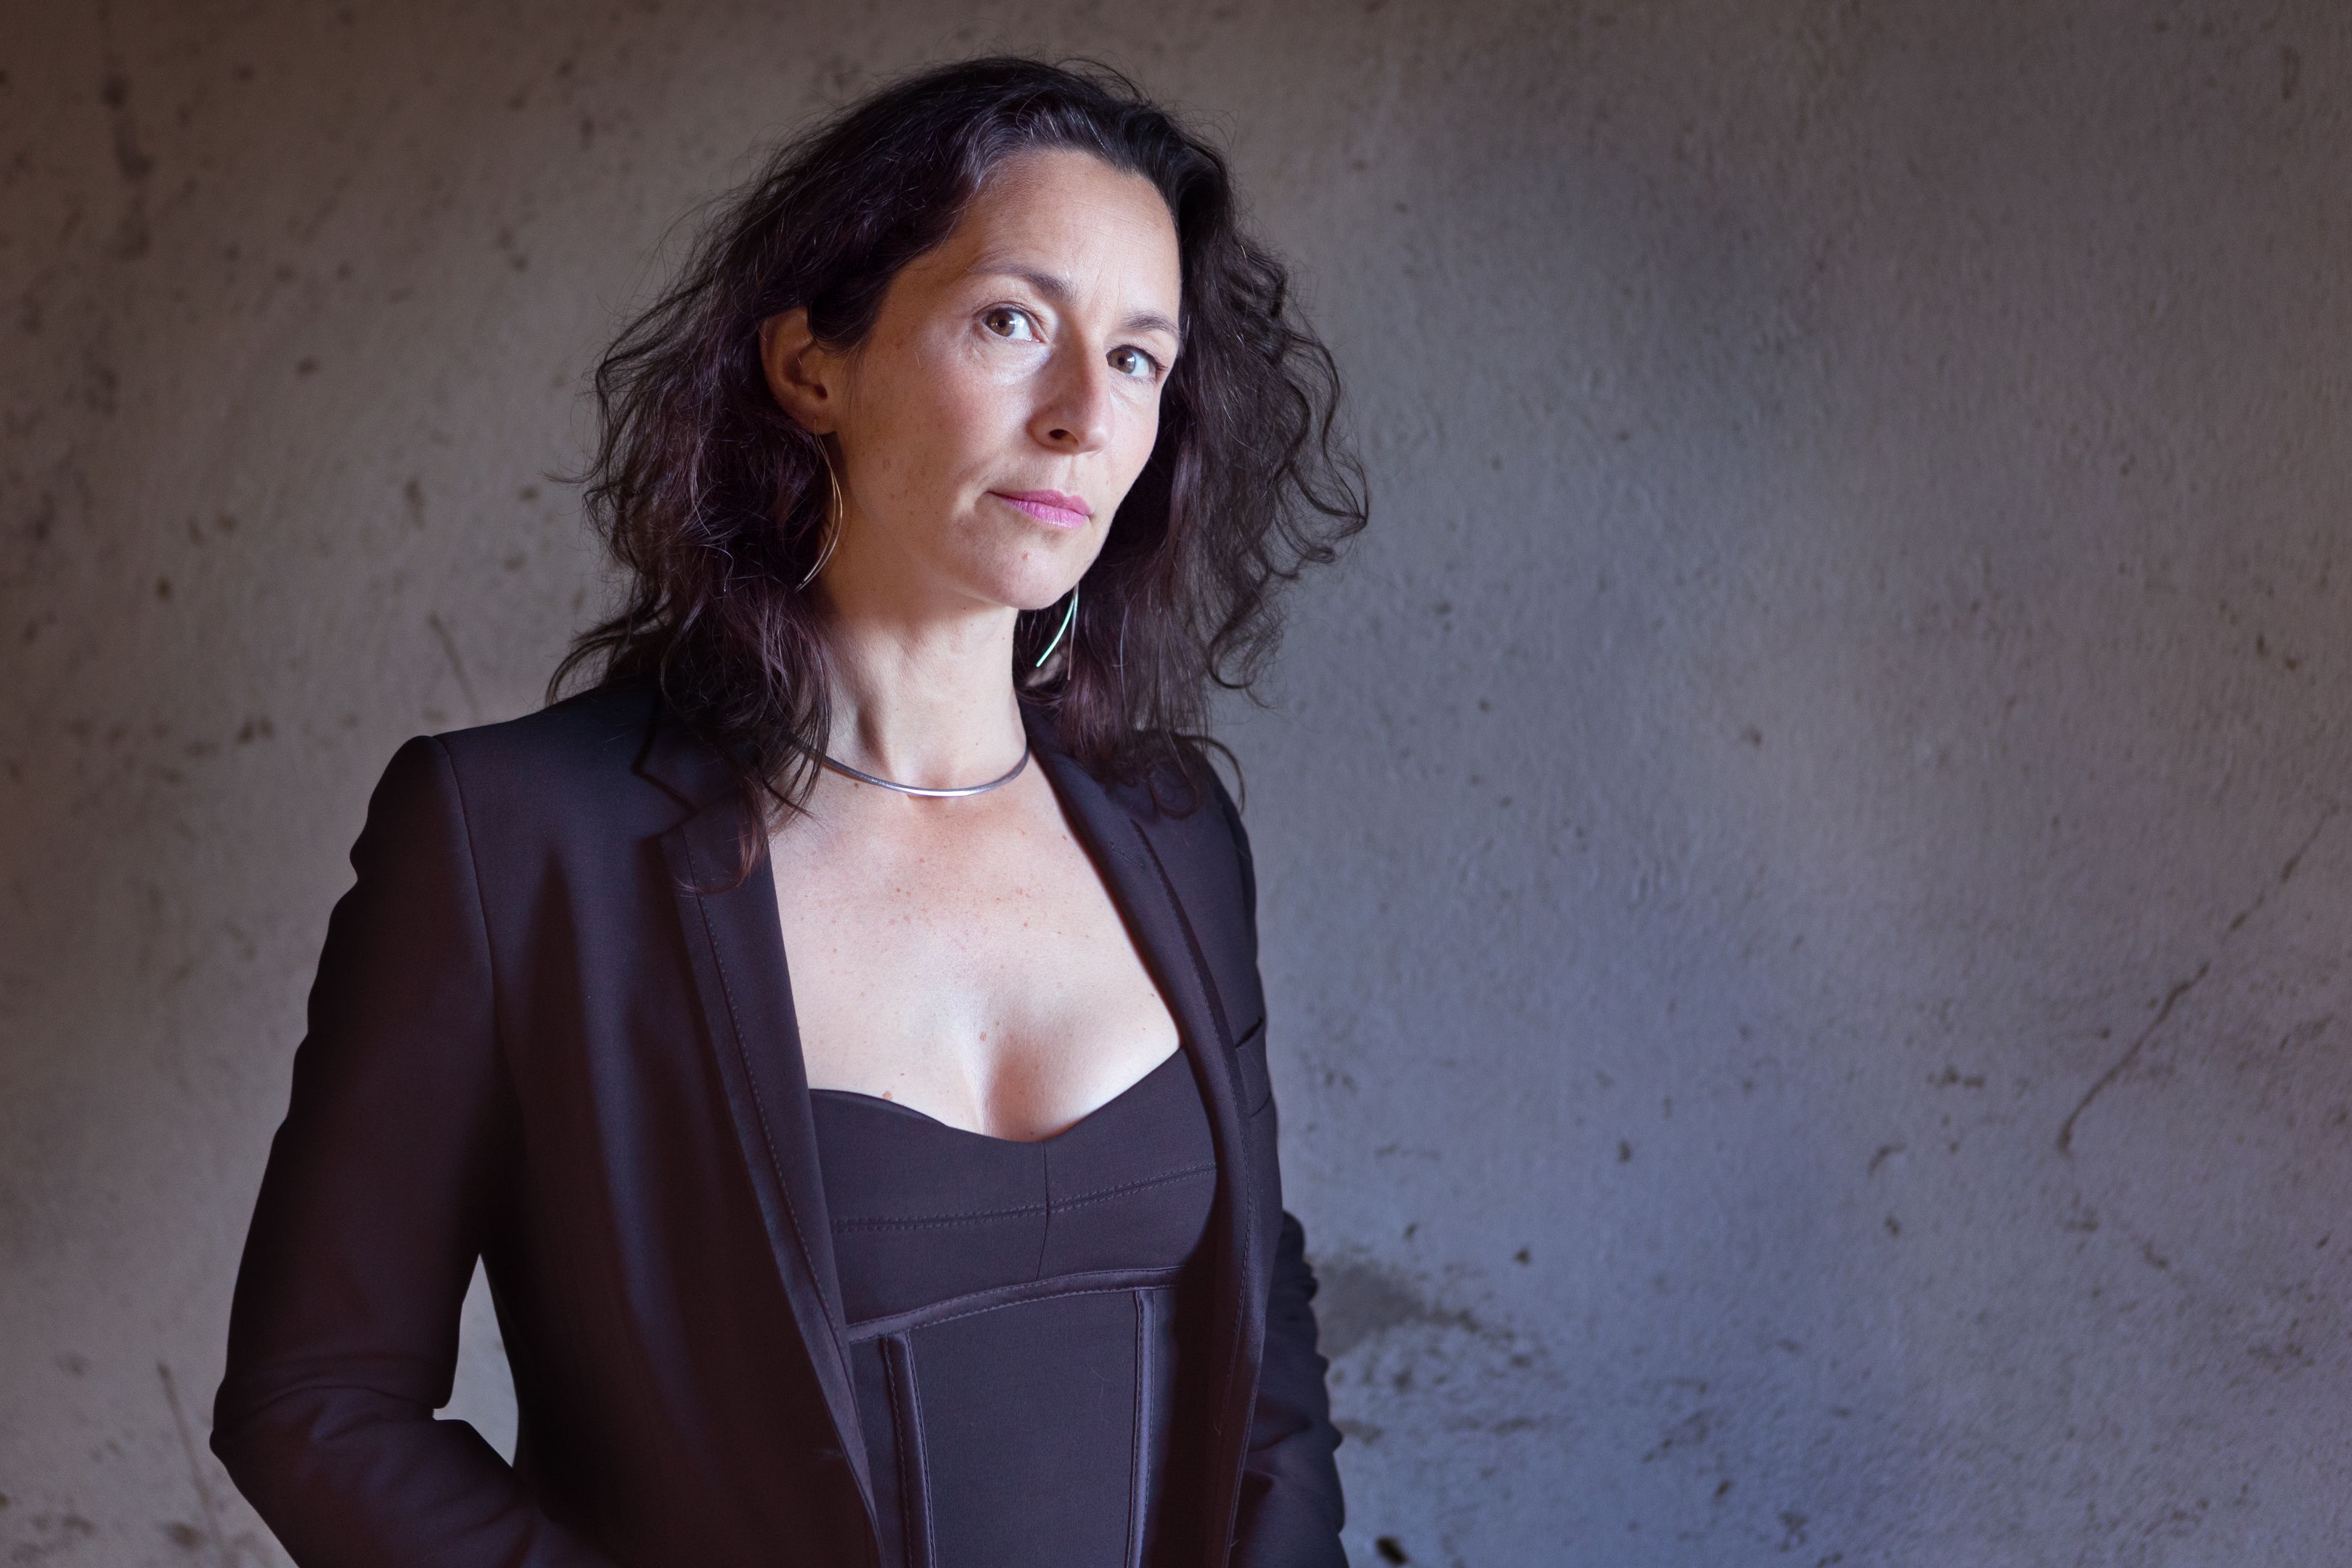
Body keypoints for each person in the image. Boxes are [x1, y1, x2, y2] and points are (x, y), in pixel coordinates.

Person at [211, 56, 1367, 1568]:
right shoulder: (518, 841)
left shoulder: (1174, 828)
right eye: (1013, 322)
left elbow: (1262, 1351)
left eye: (1141, 357)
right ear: (812, 365)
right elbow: (316, 1403)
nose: (1087, 414)